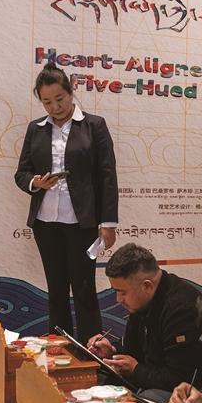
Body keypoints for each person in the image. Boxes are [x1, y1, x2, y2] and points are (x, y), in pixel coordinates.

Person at [15, 64, 118, 343]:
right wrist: (36, 182)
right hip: (45, 222)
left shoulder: (94, 125)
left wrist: (108, 223)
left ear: (71, 92)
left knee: (84, 289)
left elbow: (107, 176)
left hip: (81, 222)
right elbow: (21, 173)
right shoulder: (36, 129)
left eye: (59, 98)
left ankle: (92, 349)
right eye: (47, 102)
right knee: (56, 289)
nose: (55, 107)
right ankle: (60, 349)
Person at [88, 244, 202, 398]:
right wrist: (112, 350)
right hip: (148, 380)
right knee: (95, 380)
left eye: (122, 292)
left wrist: (136, 370)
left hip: (183, 394)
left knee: (148, 397)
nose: (118, 299)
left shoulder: (182, 309)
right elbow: (133, 348)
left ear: (146, 286)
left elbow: (180, 379)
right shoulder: (142, 301)